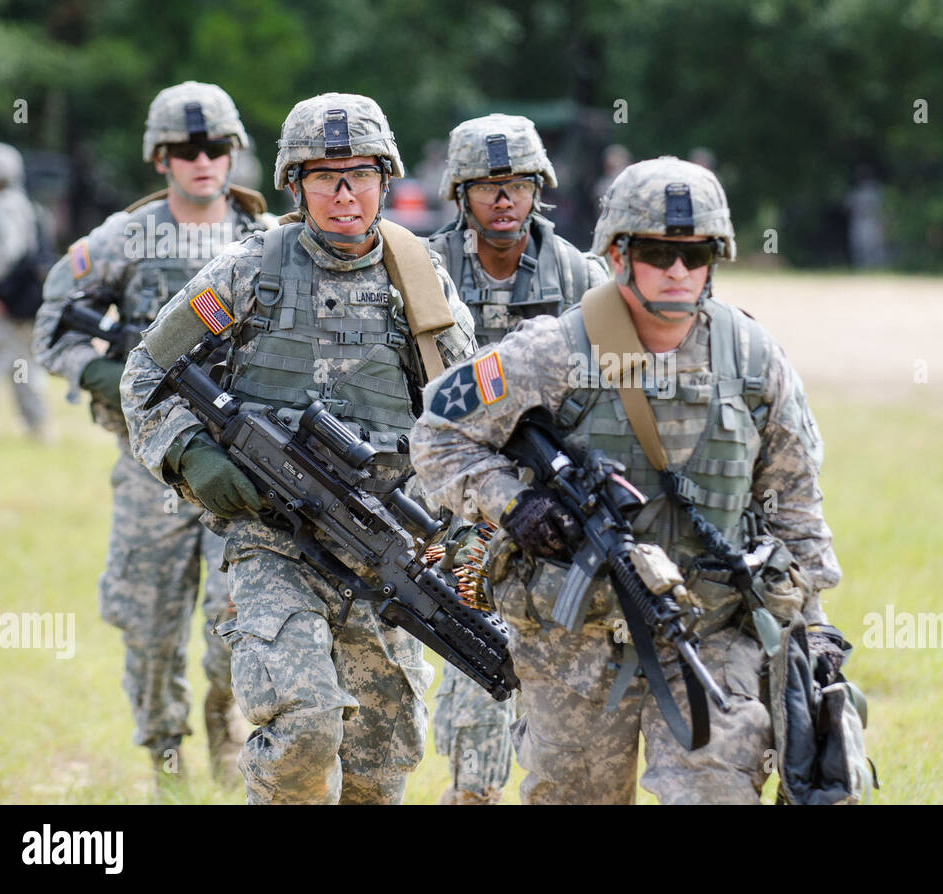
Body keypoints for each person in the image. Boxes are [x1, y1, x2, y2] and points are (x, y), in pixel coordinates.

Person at [410, 156, 842, 804]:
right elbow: (438, 430)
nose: (677, 270)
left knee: (716, 791)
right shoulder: (551, 351)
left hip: (709, 628)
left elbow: (796, 510)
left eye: (694, 254)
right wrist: (513, 503)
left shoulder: (754, 360)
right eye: (657, 252)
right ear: (616, 254)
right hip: (575, 636)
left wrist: (810, 638)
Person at [120, 92, 477, 804]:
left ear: (387, 179)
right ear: (294, 183)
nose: (345, 194)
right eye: (325, 176)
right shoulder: (249, 270)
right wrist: (192, 455)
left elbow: (467, 423)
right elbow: (147, 376)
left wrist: (464, 533)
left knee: (380, 768)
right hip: (273, 544)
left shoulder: (421, 281)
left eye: (361, 175)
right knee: (306, 730)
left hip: (386, 553)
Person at [32, 82, 269, 793]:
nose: (203, 161)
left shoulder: (265, 239)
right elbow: (54, 330)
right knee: (150, 622)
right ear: (159, 158)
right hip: (149, 471)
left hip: (238, 468)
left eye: (216, 147)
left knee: (242, 617)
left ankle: (227, 727)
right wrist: (128, 387)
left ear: (234, 155)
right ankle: (165, 754)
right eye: (186, 150)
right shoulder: (122, 238)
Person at [425, 113, 608, 804]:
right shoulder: (420, 270)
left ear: (541, 189)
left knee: (562, 695)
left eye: (520, 184)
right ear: (461, 193)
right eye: (488, 186)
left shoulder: (579, 276)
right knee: (476, 684)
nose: (505, 199)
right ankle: (472, 792)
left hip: (555, 508)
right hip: (457, 499)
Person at [0, 142, 51, 443]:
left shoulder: (2, 207)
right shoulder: (25, 205)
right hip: (21, 302)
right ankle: (37, 426)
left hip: (8, 302)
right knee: (19, 364)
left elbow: (6, 253)